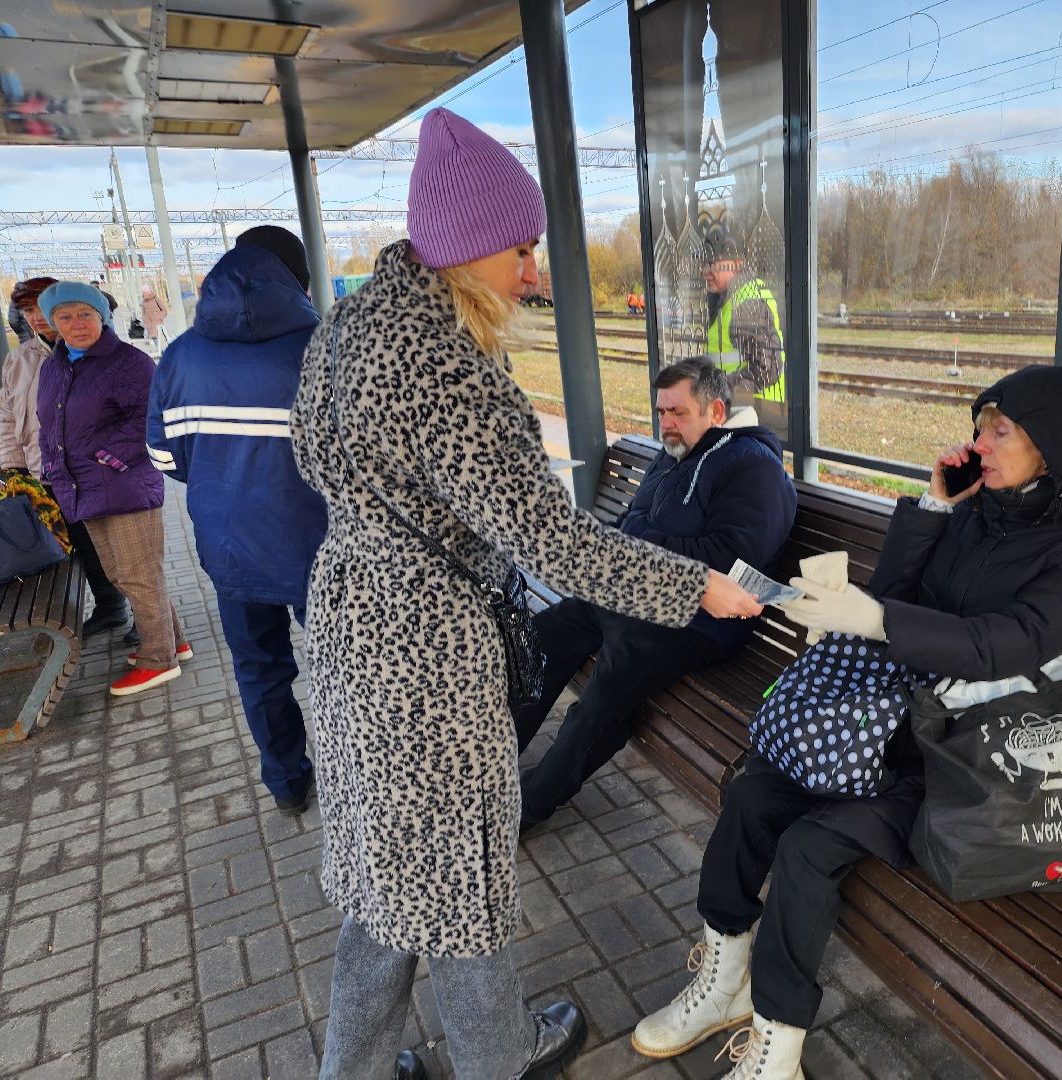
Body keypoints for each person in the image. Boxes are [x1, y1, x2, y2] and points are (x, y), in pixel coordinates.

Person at [288, 109, 763, 1080]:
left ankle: (365, 1067)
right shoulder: (452, 373)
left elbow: (311, 460)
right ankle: (496, 1058)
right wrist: (696, 587)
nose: (533, 269)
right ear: (465, 247)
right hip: (426, 656)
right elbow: (554, 540)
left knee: (391, 886)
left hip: (349, 628)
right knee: (458, 885)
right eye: (522, 246)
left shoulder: (344, 330)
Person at [631, 365, 1062, 1079]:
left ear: (1051, 447)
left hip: (963, 765)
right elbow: (895, 591)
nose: (979, 444)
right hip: (885, 733)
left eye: (1001, 431)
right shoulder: (976, 513)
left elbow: (1006, 643)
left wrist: (878, 619)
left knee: (807, 844)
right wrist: (933, 508)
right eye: (979, 428)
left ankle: (778, 1042)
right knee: (750, 794)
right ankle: (723, 980)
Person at [514, 357, 796, 831]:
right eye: (661, 411)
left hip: (700, 622)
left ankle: (530, 805)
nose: (666, 424)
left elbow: (733, 560)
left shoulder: (752, 466)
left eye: (678, 413)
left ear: (717, 411)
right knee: (540, 637)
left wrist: (642, 548)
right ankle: (494, 769)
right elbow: (633, 525)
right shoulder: (674, 454)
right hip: (637, 597)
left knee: (609, 687)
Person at [146, 227, 324, 815]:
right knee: (345, 668)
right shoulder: (328, 345)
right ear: (298, 281)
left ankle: (288, 784)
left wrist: (221, 482)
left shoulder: (179, 355)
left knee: (259, 669)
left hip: (229, 549)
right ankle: (360, 777)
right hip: (320, 548)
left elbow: (164, 458)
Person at [35, 281, 190, 697]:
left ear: (101, 316)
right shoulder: (55, 366)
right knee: (124, 572)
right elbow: (49, 423)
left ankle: (159, 659)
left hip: (123, 484)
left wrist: (107, 457)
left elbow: (150, 417)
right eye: (65, 317)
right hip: (80, 487)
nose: (77, 323)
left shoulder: (128, 362)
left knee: (139, 574)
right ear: (53, 324)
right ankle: (174, 639)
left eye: (85, 314)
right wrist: (51, 465)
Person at [0, 277, 135, 640]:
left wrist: (109, 459)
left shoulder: (92, 354)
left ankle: (149, 618)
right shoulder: (18, 360)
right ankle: (110, 608)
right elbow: (8, 417)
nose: (35, 317)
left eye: (40, 307)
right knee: (85, 548)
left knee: (123, 551)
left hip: (92, 473)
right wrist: (13, 468)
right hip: (46, 474)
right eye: (27, 310)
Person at [700, 230, 785, 432]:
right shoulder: (727, 299)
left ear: (737, 265)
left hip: (754, 415)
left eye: (713, 263)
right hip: (738, 412)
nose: (705, 270)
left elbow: (767, 370)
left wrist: (721, 388)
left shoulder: (748, 303)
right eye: (704, 263)